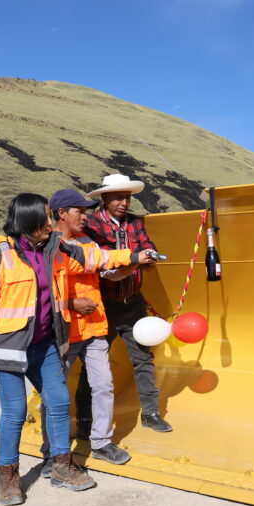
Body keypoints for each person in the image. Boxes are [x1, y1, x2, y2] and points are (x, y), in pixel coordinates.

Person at [0, 193, 153, 506]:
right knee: (15, 413)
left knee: (58, 401)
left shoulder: (54, 246)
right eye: (46, 217)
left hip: (44, 346)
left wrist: (133, 258)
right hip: (7, 351)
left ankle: (62, 466)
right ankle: (8, 477)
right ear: (28, 220)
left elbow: (96, 258)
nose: (51, 221)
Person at [38, 189, 145, 476]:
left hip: (95, 327)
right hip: (64, 332)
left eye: (86, 212)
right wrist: (71, 303)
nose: (85, 217)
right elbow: (40, 292)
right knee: (55, 393)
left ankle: (100, 442)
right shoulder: (48, 246)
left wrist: (135, 262)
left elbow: (108, 268)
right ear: (61, 214)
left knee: (104, 386)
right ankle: (51, 452)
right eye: (79, 212)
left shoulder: (86, 241)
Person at [85, 174, 172, 433]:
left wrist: (152, 255)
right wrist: (136, 259)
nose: (124, 202)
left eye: (127, 197)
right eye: (118, 197)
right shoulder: (90, 225)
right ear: (104, 198)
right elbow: (102, 261)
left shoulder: (135, 223)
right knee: (94, 362)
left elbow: (147, 244)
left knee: (143, 359)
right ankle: (83, 418)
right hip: (103, 306)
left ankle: (151, 413)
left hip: (133, 303)